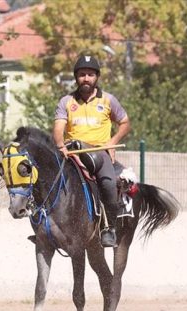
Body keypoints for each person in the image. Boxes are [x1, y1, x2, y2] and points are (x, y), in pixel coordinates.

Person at [52, 54, 131, 248]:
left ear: (97, 77)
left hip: (99, 153)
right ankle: (44, 228)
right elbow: (58, 128)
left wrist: (112, 142)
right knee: (48, 180)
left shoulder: (108, 100)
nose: (86, 78)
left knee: (108, 185)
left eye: (90, 74)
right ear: (76, 77)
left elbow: (124, 123)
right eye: (81, 74)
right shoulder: (66, 102)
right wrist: (61, 145)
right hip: (72, 153)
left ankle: (108, 229)